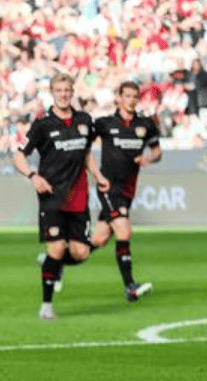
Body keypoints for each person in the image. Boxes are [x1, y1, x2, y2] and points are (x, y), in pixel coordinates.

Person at [12, 73, 110, 321]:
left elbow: (86, 153)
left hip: (78, 196)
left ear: (72, 92)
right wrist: (33, 176)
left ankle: (51, 262)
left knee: (81, 253)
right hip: (52, 195)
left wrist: (98, 176)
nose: (64, 94)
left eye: (67, 90)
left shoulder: (84, 120)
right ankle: (46, 306)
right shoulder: (42, 124)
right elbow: (19, 156)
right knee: (57, 247)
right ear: (52, 92)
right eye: (59, 90)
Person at [90, 81, 161, 301]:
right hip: (108, 187)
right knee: (124, 232)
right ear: (119, 98)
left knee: (99, 239)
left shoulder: (145, 124)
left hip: (128, 189)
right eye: (127, 96)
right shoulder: (104, 123)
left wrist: (148, 157)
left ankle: (55, 261)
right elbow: (84, 148)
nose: (131, 100)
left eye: (134, 96)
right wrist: (97, 175)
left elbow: (157, 151)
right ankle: (130, 287)